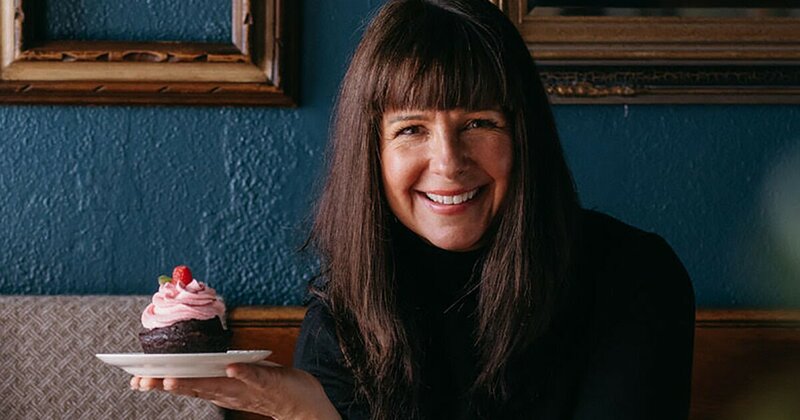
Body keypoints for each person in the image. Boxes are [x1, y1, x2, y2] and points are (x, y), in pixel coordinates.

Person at [131, 0, 695, 418]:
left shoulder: (633, 276)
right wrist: (306, 411)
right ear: (371, 154)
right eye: (411, 129)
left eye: (479, 123)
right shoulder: (346, 312)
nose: (448, 162)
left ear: (525, 138)